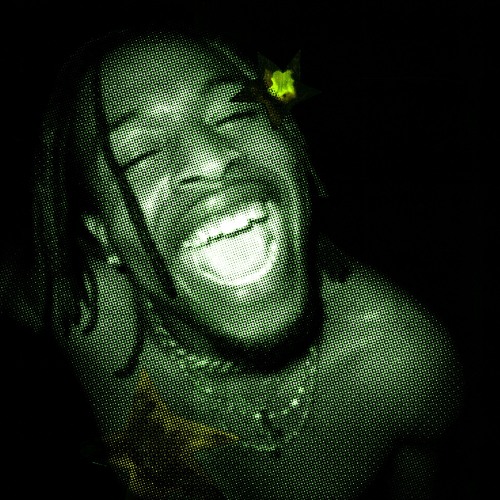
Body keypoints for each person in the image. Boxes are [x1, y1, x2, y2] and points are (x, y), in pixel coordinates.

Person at [2, 27, 463, 499]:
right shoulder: (81, 315)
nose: (209, 159)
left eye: (235, 113)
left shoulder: (404, 367)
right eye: (138, 154)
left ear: (293, 146)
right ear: (104, 235)